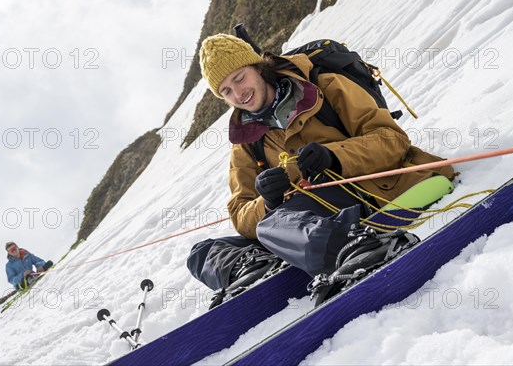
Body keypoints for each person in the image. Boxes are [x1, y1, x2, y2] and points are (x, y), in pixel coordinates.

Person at [187, 34, 454, 301]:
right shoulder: (246, 142)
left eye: (239, 78)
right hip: (300, 217)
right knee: (202, 253)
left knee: (274, 225)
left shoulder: (325, 86)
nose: (238, 93)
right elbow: (240, 214)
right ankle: (262, 268)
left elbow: (392, 140)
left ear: (257, 67)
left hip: (361, 188)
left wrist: (334, 156)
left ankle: (358, 248)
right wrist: (267, 203)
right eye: (226, 91)